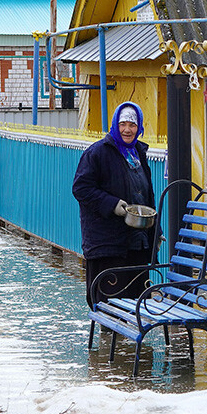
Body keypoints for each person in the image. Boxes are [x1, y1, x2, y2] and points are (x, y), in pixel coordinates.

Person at [72, 101, 156, 308]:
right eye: (123, 124)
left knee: (136, 304)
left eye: (133, 125)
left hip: (136, 243)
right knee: (109, 304)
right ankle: (111, 339)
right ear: (114, 125)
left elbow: (146, 197)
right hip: (108, 244)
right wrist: (112, 205)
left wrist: (155, 231)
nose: (127, 129)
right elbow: (81, 188)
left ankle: (129, 341)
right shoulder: (98, 153)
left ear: (140, 127)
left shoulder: (138, 153)